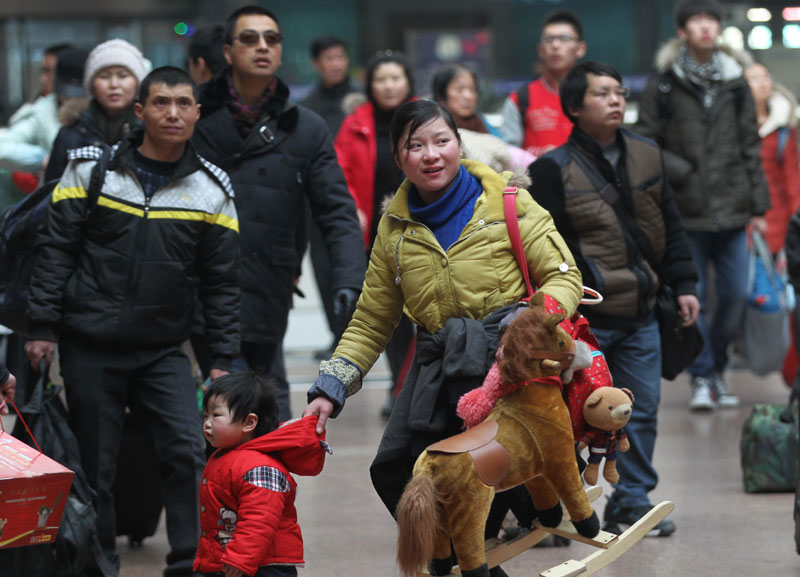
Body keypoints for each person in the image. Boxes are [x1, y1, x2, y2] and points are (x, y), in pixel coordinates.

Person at [305, 99, 582, 577]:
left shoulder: (508, 203)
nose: (431, 155)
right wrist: (331, 387)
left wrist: (531, 321)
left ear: (459, 144)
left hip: (507, 369)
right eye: (416, 145)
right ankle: (458, 559)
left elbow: (564, 277)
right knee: (397, 469)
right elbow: (372, 319)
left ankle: (471, 555)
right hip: (439, 370)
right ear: (398, 158)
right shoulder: (393, 230)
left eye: (441, 141)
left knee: (484, 477)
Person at [25, 66, 241, 577]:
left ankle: (191, 562)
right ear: (140, 112)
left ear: (197, 113)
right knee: (95, 464)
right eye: (161, 103)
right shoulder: (91, 170)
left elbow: (222, 285)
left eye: (183, 104)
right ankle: (98, 564)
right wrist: (42, 327)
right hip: (89, 344)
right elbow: (53, 251)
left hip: (164, 347)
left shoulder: (212, 190)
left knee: (187, 452)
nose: (173, 113)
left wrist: (223, 360)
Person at [529, 61, 700, 538]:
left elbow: (671, 225)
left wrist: (684, 284)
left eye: (620, 92)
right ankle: (561, 508)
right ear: (575, 107)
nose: (617, 100)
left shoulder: (648, 155)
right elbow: (548, 249)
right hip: (588, 320)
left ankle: (633, 498)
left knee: (637, 407)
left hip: (643, 308)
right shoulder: (550, 170)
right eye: (603, 93)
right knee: (571, 413)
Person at [192, 6, 365, 417]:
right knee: (211, 410)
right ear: (228, 51)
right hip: (197, 286)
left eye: (271, 39)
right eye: (249, 39)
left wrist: (348, 278)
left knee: (265, 402)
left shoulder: (305, 127)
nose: (262, 47)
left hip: (268, 280)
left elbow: (336, 210)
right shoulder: (192, 115)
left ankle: (265, 480)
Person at [635, 0, 769, 412]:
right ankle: (702, 375)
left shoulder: (735, 82)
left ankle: (718, 368)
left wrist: (759, 205)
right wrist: (683, 171)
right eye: (697, 20)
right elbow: (645, 138)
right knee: (695, 296)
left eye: (712, 20)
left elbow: (750, 144)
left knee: (732, 293)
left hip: (732, 205)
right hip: (685, 208)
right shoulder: (664, 83)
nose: (706, 27)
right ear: (682, 31)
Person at [334, 50, 416, 417]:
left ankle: (421, 390)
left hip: (423, 231)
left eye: (395, 78)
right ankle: (399, 390)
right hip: (377, 236)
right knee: (391, 320)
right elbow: (341, 173)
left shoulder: (424, 117)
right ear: (370, 84)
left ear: (408, 82)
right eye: (381, 79)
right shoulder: (355, 123)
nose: (388, 86)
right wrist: (354, 207)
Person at [195, 372, 329, 577]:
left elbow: (259, 519)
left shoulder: (260, 467)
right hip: (234, 560)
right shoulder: (226, 454)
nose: (207, 423)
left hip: (263, 567)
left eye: (216, 415)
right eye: (205, 415)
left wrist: (240, 558)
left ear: (249, 423)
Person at [301, 36, 362, 361]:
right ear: (316, 63)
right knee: (324, 270)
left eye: (341, 57)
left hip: (360, 201)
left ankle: (362, 337)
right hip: (317, 200)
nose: (336, 63)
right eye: (329, 58)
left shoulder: (362, 101)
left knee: (362, 269)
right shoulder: (307, 107)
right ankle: (336, 335)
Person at [45, 38, 147, 182]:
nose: (114, 84)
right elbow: (52, 192)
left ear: (138, 83)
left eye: (123, 76)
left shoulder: (150, 132)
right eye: (104, 76)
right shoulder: (71, 133)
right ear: (91, 84)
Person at [499, 9, 586, 156]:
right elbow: (508, 155)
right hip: (537, 177)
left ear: (580, 49)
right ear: (541, 50)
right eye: (549, 39)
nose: (555, 46)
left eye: (564, 39)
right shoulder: (520, 99)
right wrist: (540, 155)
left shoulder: (593, 94)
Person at [432, 64, 535, 173]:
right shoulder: (433, 123)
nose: (468, 96)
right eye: (459, 89)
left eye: (473, 89)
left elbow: (504, 151)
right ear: (441, 95)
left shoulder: (482, 123)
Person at [744, 62, 800, 256]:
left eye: (766, 77)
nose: (762, 83)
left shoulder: (783, 127)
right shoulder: (734, 127)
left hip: (778, 213)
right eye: (754, 78)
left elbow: (792, 179)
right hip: (742, 215)